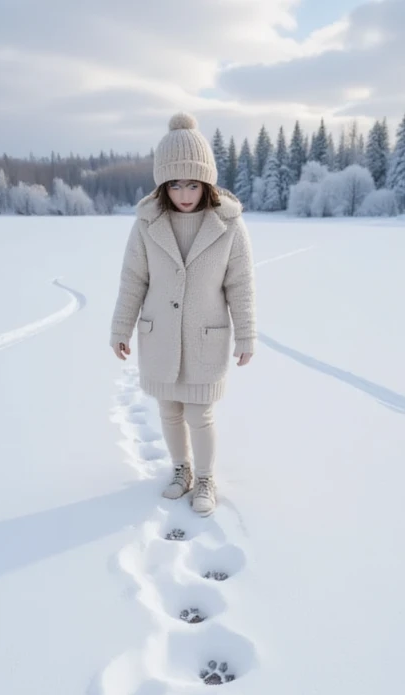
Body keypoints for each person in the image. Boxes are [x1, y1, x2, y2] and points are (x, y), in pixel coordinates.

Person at [110, 112, 257, 517]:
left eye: (193, 183)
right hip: (158, 336)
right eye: (175, 184)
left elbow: (240, 285)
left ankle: (205, 477)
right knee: (169, 409)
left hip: (204, 338)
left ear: (206, 182)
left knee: (199, 411)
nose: (184, 193)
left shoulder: (228, 224)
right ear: (163, 186)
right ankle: (181, 471)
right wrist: (120, 327)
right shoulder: (147, 224)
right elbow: (133, 280)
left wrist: (247, 336)